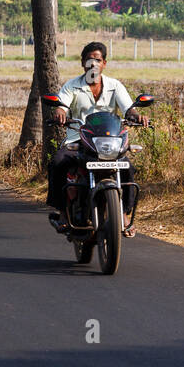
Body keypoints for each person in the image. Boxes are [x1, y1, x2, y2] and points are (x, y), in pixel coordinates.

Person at [46, 41, 146, 233]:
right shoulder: (72, 86)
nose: (93, 64)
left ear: (104, 63)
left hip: (110, 143)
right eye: (89, 60)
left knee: (128, 168)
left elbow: (128, 109)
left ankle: (124, 214)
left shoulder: (114, 86)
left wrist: (137, 116)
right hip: (78, 140)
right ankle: (63, 213)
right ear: (83, 63)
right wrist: (60, 113)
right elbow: (62, 105)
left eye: (97, 60)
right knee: (58, 162)